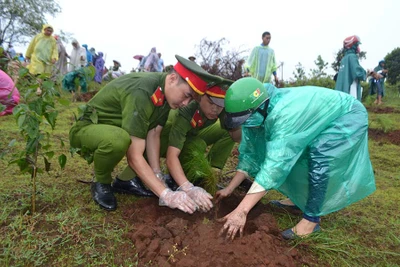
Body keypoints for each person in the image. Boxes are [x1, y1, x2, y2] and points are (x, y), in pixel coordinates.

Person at [217, 77, 376, 240]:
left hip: (346, 115)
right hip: (318, 118)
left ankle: (311, 222)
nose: (244, 124)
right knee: (298, 157)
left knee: (319, 154)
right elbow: (248, 155)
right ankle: (297, 201)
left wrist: (241, 211)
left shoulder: (284, 115)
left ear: (260, 107)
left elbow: (275, 166)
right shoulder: (255, 115)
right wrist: (229, 189)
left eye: (245, 119)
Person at [69, 55, 229, 213]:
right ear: (172, 79)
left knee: (165, 132)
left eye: (191, 99)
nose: (186, 104)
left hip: (119, 128)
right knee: (119, 140)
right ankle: (101, 182)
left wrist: (157, 174)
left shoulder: (165, 93)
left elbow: (154, 133)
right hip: (89, 128)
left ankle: (126, 181)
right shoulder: (143, 91)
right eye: (186, 96)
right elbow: (134, 155)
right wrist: (166, 194)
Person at [115, 84, 242, 210]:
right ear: (199, 97)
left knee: (224, 131)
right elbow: (172, 156)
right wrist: (188, 188)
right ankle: (129, 177)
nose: (215, 109)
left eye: (220, 105)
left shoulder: (219, 109)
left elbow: (236, 136)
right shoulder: (187, 111)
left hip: (192, 133)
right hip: (166, 135)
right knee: (196, 144)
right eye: (211, 103)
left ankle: (209, 175)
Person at [334, 35, 366, 101]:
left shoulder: (344, 59)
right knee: (353, 107)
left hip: (342, 91)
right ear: (353, 45)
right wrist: (366, 73)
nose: (358, 47)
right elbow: (358, 73)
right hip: (351, 88)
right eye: (357, 45)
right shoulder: (352, 57)